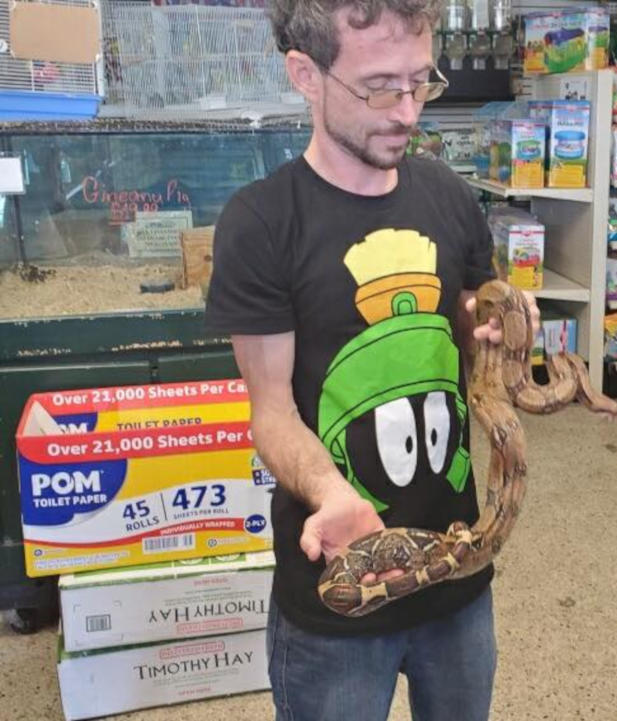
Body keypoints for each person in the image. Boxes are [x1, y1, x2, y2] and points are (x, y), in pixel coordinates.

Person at [204, 0, 540, 718]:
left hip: (459, 579)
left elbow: (471, 326)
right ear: (306, 74)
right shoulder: (263, 224)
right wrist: (332, 491)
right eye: (381, 86)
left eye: (422, 81)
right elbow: (271, 408)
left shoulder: (450, 197)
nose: (409, 111)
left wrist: (500, 328)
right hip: (337, 602)